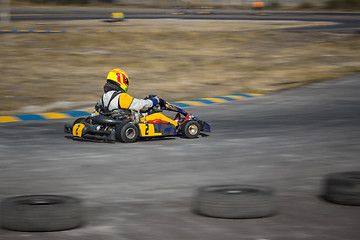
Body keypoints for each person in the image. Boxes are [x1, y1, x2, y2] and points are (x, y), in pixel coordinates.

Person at [98, 69, 178, 127]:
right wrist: (152, 101)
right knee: (158, 116)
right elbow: (139, 105)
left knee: (141, 112)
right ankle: (177, 125)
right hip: (127, 121)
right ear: (121, 81)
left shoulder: (103, 97)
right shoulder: (121, 96)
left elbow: (97, 110)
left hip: (115, 120)